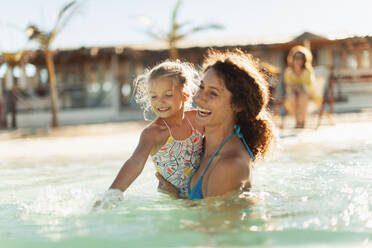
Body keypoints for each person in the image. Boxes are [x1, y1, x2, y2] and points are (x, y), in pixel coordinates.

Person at [157, 49, 276, 200]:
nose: (199, 97)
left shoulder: (229, 166)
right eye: (201, 87)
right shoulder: (199, 145)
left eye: (212, 93)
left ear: (237, 105)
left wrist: (176, 197)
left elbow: (212, 223)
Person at [106, 60, 204, 200]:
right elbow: (135, 162)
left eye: (168, 95)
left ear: (185, 94)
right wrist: (112, 194)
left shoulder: (196, 119)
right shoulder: (153, 133)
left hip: (199, 194)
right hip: (172, 201)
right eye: (154, 96)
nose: (160, 101)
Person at [284, 45, 317, 128]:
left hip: (306, 94)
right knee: (292, 97)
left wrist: (297, 87)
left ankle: (302, 120)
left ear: (305, 59)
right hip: (293, 94)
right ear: (292, 58)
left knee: (303, 96)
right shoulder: (288, 71)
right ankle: (298, 121)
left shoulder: (308, 71)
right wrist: (297, 88)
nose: (298, 60)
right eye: (295, 57)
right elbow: (288, 85)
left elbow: (309, 85)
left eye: (300, 57)